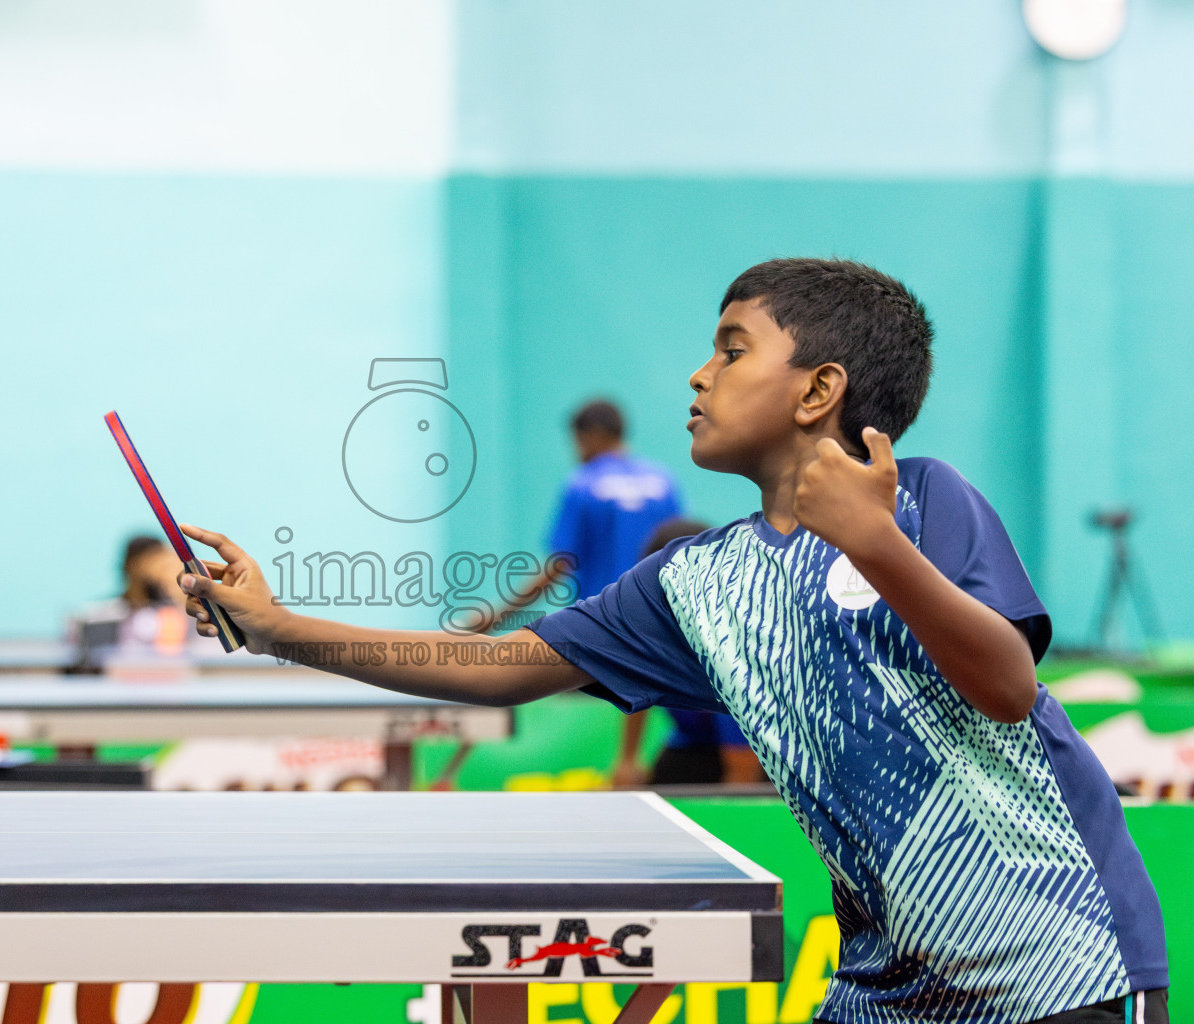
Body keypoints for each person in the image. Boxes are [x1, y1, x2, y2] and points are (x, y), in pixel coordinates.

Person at [173, 258, 1168, 1024]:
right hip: (883, 986)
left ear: (818, 390)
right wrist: (279, 628)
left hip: (1062, 967)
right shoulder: (694, 580)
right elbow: (497, 669)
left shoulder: (926, 501)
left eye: (732, 349)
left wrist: (873, 541)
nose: (698, 373)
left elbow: (1005, 683)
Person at [489, 400, 684, 629]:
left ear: (592, 435)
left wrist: (497, 615)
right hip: (656, 624)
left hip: (601, 624)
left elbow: (559, 565)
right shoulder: (664, 481)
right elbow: (678, 553)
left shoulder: (583, 484)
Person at [611, 517, 766, 787]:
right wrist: (628, 759)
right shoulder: (652, 630)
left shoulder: (732, 650)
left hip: (759, 754)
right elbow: (638, 682)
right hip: (690, 744)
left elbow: (742, 779)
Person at [66, 535, 215, 667]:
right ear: (132, 565)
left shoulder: (180, 616)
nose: (161, 572)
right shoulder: (96, 615)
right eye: (159, 565)